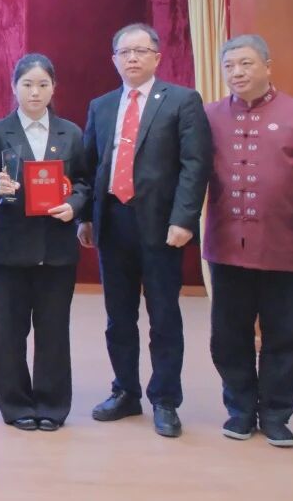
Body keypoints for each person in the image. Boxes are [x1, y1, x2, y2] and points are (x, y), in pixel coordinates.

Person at [79, 23, 211, 438]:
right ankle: (125, 391)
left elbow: (195, 165)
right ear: (114, 59)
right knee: (118, 317)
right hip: (112, 222)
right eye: (124, 52)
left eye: (140, 51)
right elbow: (89, 165)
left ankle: (165, 399)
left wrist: (184, 219)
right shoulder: (101, 105)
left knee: (164, 315)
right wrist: (85, 217)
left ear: (157, 57)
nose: (132, 58)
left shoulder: (182, 100)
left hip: (161, 226)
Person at [203, 34, 293, 447]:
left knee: (286, 336)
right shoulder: (208, 116)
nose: (237, 72)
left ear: (268, 66)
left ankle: (276, 414)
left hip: (287, 249)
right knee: (228, 336)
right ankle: (239, 410)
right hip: (227, 247)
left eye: (246, 63)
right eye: (229, 65)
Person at [0, 54, 91, 431]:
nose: (35, 92)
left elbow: (85, 182)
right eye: (27, 84)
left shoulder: (71, 133)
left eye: (42, 84)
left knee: (53, 330)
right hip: (11, 247)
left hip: (57, 248)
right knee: (10, 330)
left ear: (54, 88)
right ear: (14, 87)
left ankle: (52, 405)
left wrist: (74, 206)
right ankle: (15, 403)